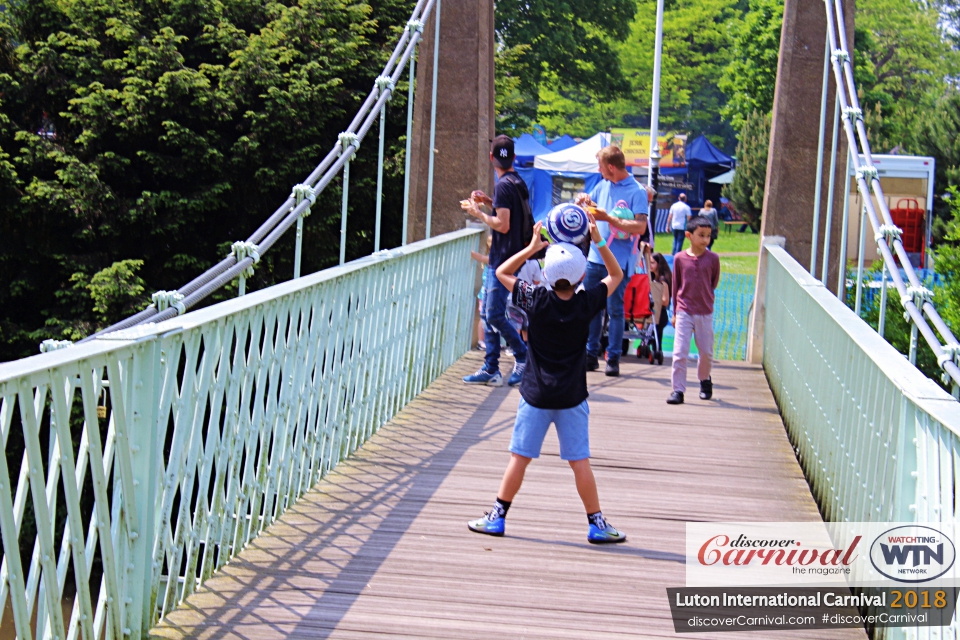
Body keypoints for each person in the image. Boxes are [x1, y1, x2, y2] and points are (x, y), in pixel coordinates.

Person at [466, 218, 627, 544]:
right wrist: (598, 240)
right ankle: (596, 523)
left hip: (535, 395)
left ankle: (497, 516)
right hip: (572, 397)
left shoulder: (535, 299)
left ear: (547, 274)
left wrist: (531, 248)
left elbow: (501, 273)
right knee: (579, 463)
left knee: (519, 459)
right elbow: (616, 275)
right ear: (582, 275)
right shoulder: (586, 302)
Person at [461, 135, 529, 387]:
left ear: (492, 158)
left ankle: (522, 355)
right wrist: (489, 203)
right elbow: (508, 210)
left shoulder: (503, 185)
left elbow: (502, 223)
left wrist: (477, 212)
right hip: (512, 256)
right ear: (513, 157)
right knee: (489, 313)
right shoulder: (517, 182)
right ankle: (491, 367)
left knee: (494, 313)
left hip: (503, 259)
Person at [582, 145, 648, 377]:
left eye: (600, 166)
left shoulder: (637, 191)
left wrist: (609, 218)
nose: (598, 171)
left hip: (618, 262)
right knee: (591, 308)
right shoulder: (603, 185)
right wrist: (584, 200)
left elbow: (640, 226)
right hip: (594, 258)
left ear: (611, 167)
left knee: (615, 310)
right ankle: (590, 355)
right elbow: (591, 205)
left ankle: (613, 358)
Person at [667, 216, 720, 405]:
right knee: (680, 351)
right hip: (684, 310)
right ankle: (678, 390)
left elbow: (713, 282)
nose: (705, 239)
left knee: (705, 352)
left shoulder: (713, 259)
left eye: (708, 235)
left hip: (705, 311)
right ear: (689, 235)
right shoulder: (679, 258)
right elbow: (676, 285)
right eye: (701, 235)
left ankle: (705, 380)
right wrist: (674, 312)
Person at [648, 252, 672, 353]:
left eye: (652, 263)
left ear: (659, 264)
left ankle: (657, 353)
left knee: (656, 339)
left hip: (660, 315)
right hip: (654, 313)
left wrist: (651, 301)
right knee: (652, 338)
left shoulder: (663, 280)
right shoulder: (652, 277)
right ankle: (654, 352)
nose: (650, 265)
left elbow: (665, 301)